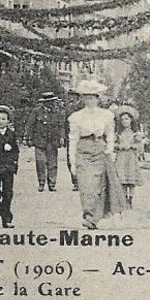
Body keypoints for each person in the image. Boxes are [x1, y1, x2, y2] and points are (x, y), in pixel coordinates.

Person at [68, 79, 127, 229]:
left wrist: (110, 148)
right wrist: (72, 162)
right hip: (83, 150)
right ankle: (88, 214)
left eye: (93, 97)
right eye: (87, 97)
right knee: (86, 185)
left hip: (100, 149)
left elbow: (110, 134)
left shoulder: (106, 115)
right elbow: (73, 139)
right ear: (83, 99)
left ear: (97, 98)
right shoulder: (76, 117)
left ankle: (93, 219)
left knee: (99, 185)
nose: (90, 100)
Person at [25, 91, 64, 192]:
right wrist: (28, 138)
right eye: (49, 102)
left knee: (53, 163)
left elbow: (60, 126)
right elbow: (30, 125)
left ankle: (52, 184)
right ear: (44, 103)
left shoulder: (57, 112)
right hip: (40, 141)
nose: (51, 103)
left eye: (52, 101)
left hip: (52, 141)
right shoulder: (36, 112)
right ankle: (41, 183)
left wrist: (61, 137)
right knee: (40, 162)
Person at [114, 107, 142, 207]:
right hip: (121, 157)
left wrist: (131, 146)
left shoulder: (135, 133)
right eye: (122, 120)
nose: (125, 121)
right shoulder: (118, 134)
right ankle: (124, 198)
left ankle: (130, 198)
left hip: (131, 157)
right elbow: (113, 145)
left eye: (127, 119)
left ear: (131, 120)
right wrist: (119, 146)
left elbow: (140, 146)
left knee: (131, 179)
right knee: (122, 178)